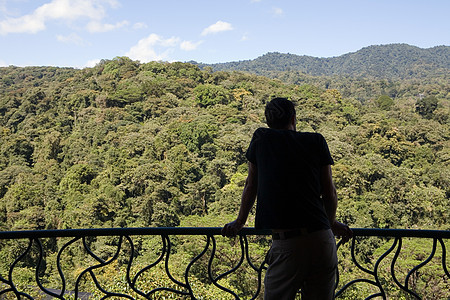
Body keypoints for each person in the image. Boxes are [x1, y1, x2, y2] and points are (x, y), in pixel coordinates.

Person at [221, 97, 353, 299]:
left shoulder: (262, 139)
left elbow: (251, 185)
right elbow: (329, 193)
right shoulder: (316, 141)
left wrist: (240, 222)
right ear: (293, 117)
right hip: (322, 240)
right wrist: (332, 222)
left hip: (288, 243)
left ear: (268, 121)